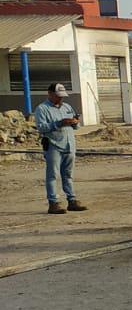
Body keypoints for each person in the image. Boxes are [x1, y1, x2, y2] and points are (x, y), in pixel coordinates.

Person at [34, 82, 85, 215]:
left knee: (68, 175)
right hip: (53, 145)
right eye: (58, 96)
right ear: (50, 94)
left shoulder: (67, 107)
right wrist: (59, 123)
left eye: (62, 96)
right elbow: (41, 127)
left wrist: (75, 122)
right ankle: (53, 203)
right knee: (52, 175)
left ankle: (72, 200)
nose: (60, 99)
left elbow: (76, 126)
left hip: (69, 145)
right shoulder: (42, 109)